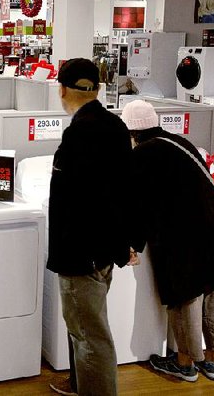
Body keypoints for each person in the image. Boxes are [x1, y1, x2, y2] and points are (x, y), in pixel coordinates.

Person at [121, 100, 214, 383]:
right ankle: (213, 363)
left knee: (186, 297)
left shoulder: (142, 153)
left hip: (182, 235)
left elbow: (140, 205)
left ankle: (185, 364)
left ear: (130, 131)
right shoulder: (182, 143)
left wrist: (132, 244)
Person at [47, 58, 134, 396]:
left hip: (81, 254)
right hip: (103, 250)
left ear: (63, 89)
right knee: (86, 330)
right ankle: (79, 384)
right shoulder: (114, 125)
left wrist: (74, 254)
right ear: (97, 89)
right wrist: (124, 243)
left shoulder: (80, 133)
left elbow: (81, 200)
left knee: (90, 336)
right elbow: (125, 190)